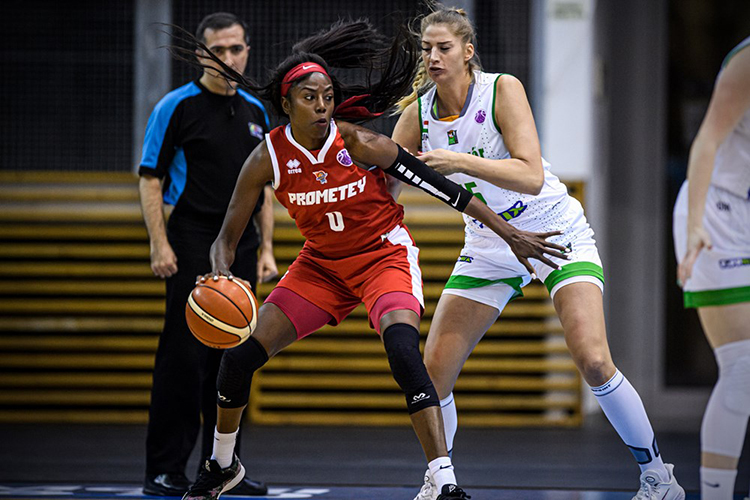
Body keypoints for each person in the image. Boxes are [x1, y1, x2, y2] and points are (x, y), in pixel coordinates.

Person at [167, 18, 567, 500]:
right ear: (287, 104)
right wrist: (219, 271)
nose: (322, 106)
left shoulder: (358, 142)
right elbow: (226, 237)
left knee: (403, 349)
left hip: (382, 256)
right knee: (238, 359)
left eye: (328, 97)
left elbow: (447, 190)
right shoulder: (266, 157)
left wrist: (510, 234)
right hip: (321, 267)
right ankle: (222, 464)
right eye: (310, 98)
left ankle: (444, 482)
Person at [390, 7, 684, 500]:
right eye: (426, 49)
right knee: (433, 373)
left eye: (444, 47)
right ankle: (440, 481)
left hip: (552, 230)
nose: (433, 57)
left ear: (468, 51)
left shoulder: (501, 90)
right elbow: (385, 187)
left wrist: (458, 161)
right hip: (490, 242)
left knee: (593, 360)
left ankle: (659, 477)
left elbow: (529, 174)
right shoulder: (417, 115)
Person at [137, 12, 275, 497]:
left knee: (235, 359)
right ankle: (164, 469)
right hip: (193, 239)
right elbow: (150, 177)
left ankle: (223, 467)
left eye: (237, 49)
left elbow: (265, 189)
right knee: (184, 357)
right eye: (219, 50)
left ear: (247, 51)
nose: (228, 58)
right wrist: (160, 243)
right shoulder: (176, 107)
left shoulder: (256, 111)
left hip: (242, 246)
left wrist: (267, 250)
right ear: (201, 54)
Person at [673, 36, 750, 500]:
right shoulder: (748, 61)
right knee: (742, 369)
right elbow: (706, 142)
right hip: (719, 214)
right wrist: (696, 226)